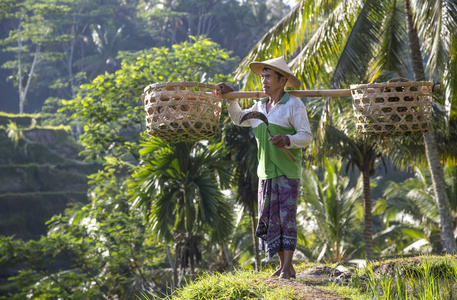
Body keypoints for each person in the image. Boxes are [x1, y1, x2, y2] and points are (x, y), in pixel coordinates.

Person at [218, 57, 312, 279]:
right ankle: (284, 266)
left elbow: (306, 136)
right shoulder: (259, 106)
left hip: (287, 171)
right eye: (262, 76)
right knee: (271, 219)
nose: (264, 80)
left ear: (283, 80)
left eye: (269, 76)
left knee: (286, 218)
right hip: (265, 171)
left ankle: (287, 267)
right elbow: (240, 118)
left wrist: (287, 140)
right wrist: (231, 98)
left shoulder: (293, 105)